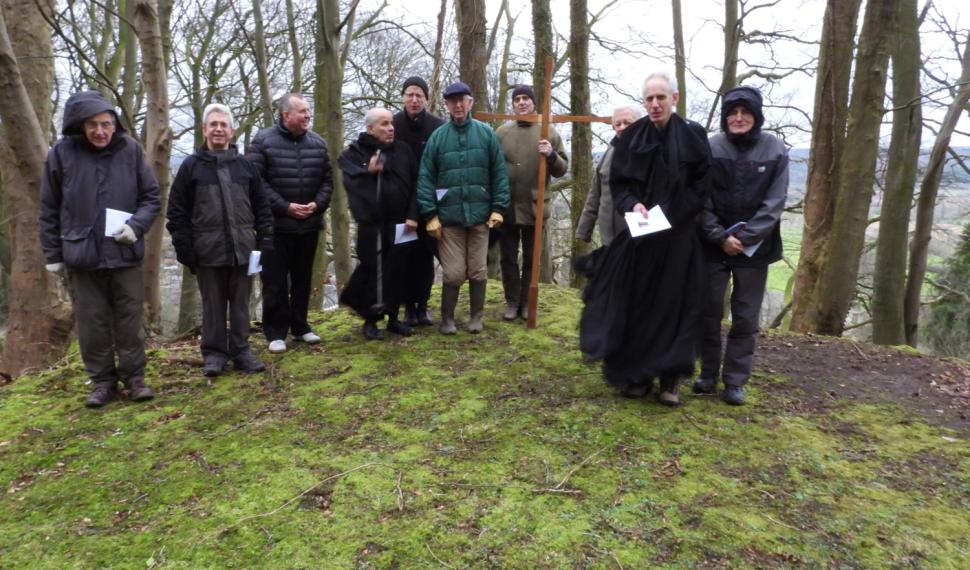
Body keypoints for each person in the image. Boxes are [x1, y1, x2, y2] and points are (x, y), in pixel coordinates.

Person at [578, 71, 712, 406]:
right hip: (640, 240)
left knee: (673, 308)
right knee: (637, 307)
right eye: (649, 99)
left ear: (674, 99)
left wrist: (670, 216)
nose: (655, 104)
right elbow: (620, 185)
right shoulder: (631, 138)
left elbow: (701, 187)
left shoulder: (694, 136)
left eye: (661, 98)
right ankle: (637, 375)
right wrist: (632, 205)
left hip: (679, 240)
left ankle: (669, 380)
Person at [39, 90, 161, 408]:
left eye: (106, 124)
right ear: (80, 126)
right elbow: (49, 208)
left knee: (129, 321)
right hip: (81, 255)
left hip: (124, 253)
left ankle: (134, 380)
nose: (100, 131)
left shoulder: (130, 151)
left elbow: (151, 198)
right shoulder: (61, 154)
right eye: (93, 125)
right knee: (92, 324)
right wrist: (53, 255)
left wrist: (135, 227)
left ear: (114, 124)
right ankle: (103, 382)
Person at [695, 86, 788, 405]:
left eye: (745, 112)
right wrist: (719, 236)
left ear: (756, 116)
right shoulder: (710, 147)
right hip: (711, 245)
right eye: (732, 113)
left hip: (756, 250)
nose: (738, 118)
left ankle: (735, 381)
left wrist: (745, 238)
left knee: (746, 317)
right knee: (707, 312)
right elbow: (700, 198)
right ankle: (707, 374)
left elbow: (775, 202)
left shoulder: (775, 149)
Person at [167, 104, 274, 377]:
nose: (218, 129)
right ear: (204, 130)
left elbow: (262, 207)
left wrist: (265, 242)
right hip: (207, 252)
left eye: (223, 125)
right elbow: (176, 212)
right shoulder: (191, 168)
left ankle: (241, 351)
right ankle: (214, 354)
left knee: (240, 304)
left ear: (232, 131)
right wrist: (185, 249)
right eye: (213, 124)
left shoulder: (246, 166)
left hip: (243, 249)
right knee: (212, 305)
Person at [416, 81, 510, 335]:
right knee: (455, 273)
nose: (458, 105)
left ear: (470, 103)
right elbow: (425, 178)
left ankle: (476, 316)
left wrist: (499, 208)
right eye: (452, 101)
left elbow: (499, 174)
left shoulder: (486, 134)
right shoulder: (438, 137)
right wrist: (429, 215)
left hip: (481, 218)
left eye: (462, 100)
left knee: (478, 269)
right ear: (447, 104)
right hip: (449, 219)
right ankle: (447, 318)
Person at [247, 93, 333, 354]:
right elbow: (256, 182)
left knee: (303, 279)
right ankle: (275, 332)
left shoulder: (318, 143)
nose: (308, 116)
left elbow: (327, 181)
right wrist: (285, 207)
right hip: (274, 227)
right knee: (274, 281)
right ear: (286, 115)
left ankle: (301, 326)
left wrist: (317, 205)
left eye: (309, 111)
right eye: (302, 111)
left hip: (308, 226)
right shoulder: (262, 142)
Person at [339, 108, 419, 340]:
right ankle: (371, 319)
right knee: (373, 270)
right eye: (384, 124)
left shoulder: (403, 150)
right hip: (371, 226)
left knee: (398, 271)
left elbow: (415, 184)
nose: (391, 128)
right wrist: (369, 171)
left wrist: (413, 215)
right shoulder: (354, 154)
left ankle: (394, 317)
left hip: (402, 223)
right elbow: (351, 183)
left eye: (391, 123)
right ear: (371, 128)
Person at [495, 85, 569, 321]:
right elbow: (492, 167)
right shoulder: (502, 133)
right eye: (517, 99)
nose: (522, 102)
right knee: (507, 257)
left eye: (526, 98)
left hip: (535, 208)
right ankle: (512, 302)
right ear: (513, 104)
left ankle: (527, 303)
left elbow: (562, 169)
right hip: (506, 207)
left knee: (530, 258)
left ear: (533, 102)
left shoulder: (548, 132)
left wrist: (552, 155)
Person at [393, 76, 445, 327]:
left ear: (426, 98)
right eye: (409, 94)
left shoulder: (437, 126)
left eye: (419, 95)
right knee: (403, 257)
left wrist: (432, 204)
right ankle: (408, 307)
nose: (414, 100)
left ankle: (423, 305)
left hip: (428, 201)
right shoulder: (392, 124)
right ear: (403, 97)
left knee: (425, 257)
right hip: (399, 204)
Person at [575, 105, 642, 247]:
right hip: (609, 239)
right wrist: (584, 230)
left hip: (638, 240)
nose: (622, 127)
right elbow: (595, 194)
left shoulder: (648, 153)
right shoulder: (608, 153)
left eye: (627, 123)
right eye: (618, 124)